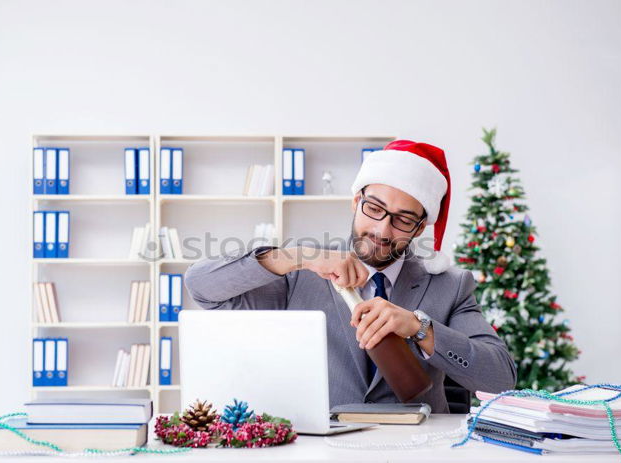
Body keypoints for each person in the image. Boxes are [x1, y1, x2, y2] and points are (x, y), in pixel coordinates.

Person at [184, 139, 517, 413]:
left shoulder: (450, 285)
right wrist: (294, 255)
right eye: (374, 208)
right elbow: (201, 288)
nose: (382, 230)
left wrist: (419, 327)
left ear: (419, 228)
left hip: (417, 452)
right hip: (322, 449)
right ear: (356, 200)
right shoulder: (302, 271)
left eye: (403, 219)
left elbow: (500, 378)